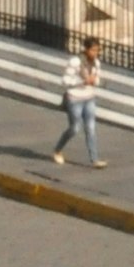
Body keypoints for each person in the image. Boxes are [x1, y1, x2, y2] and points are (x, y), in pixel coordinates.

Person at [50, 36, 105, 169]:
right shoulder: (75, 62)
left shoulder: (96, 63)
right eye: (93, 50)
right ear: (86, 49)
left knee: (90, 128)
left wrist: (94, 81)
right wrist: (82, 82)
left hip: (89, 97)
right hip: (75, 99)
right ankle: (57, 150)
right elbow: (65, 81)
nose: (95, 53)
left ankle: (95, 159)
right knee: (75, 128)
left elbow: (97, 80)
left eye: (97, 50)